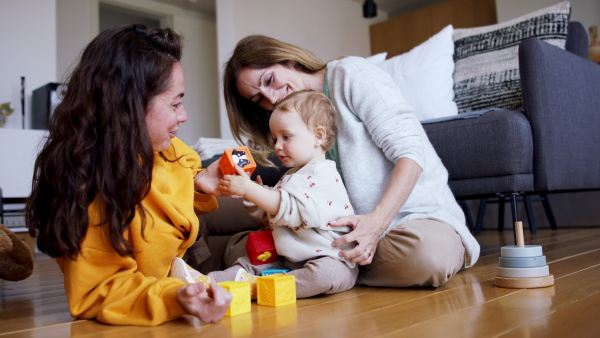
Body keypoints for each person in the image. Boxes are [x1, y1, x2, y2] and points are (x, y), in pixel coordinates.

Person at [220, 34, 480, 288]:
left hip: (407, 219)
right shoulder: (286, 118)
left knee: (427, 256)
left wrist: (376, 223)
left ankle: (313, 270)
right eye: (259, 99)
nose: (272, 98)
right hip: (330, 234)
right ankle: (318, 270)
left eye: (270, 80)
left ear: (287, 60)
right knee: (225, 212)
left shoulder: (350, 74)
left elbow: (411, 152)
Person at [25, 24, 231, 326]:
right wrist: (176, 298)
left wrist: (199, 183)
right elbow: (99, 290)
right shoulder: (90, 187)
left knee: (266, 207)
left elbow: (181, 175)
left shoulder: (164, 145)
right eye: (175, 103)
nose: (183, 115)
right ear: (128, 106)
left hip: (186, 248)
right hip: (169, 273)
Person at [207, 90, 358, 299]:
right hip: (289, 257)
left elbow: (290, 209)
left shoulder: (323, 175)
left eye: (286, 137)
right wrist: (255, 195)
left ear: (318, 136)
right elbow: (275, 215)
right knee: (251, 260)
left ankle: (258, 287)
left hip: (330, 258)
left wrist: (251, 190)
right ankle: (209, 282)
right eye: (275, 138)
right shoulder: (292, 175)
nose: (277, 146)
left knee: (326, 275)